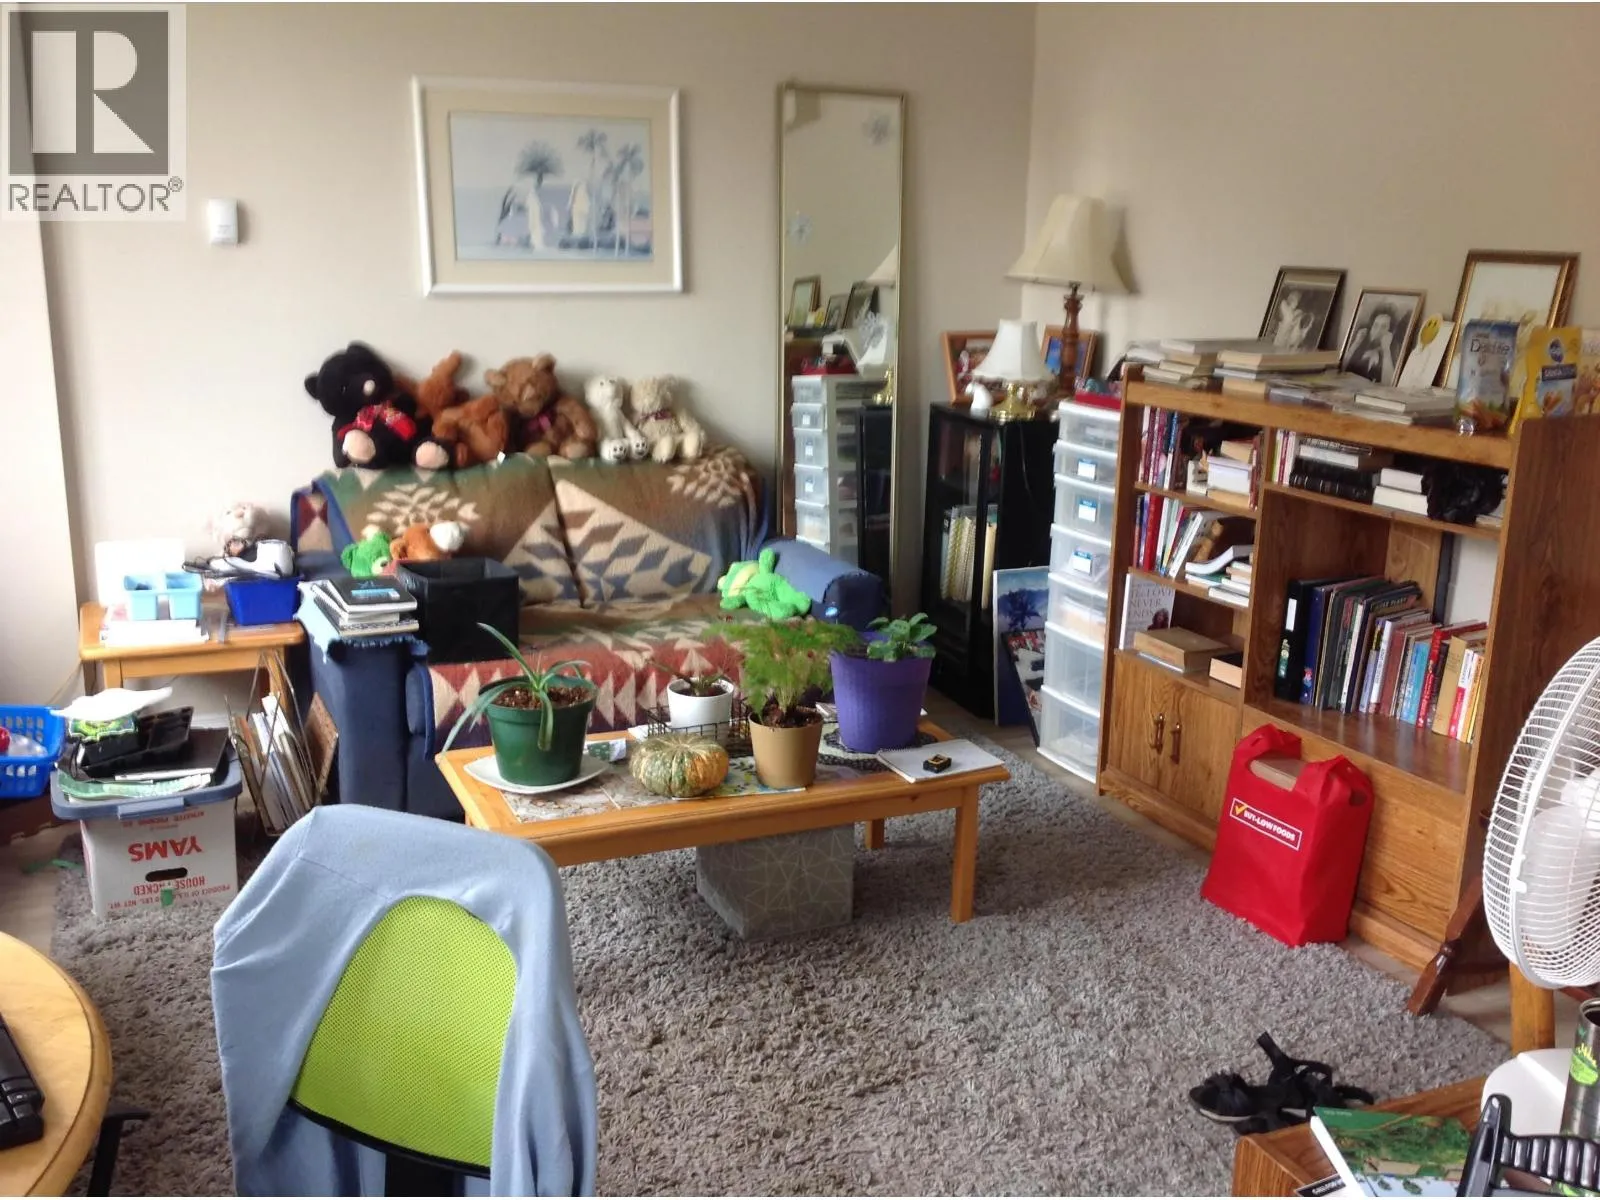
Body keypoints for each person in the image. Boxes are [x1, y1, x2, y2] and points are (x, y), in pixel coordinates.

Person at [1346, 305, 1400, 384]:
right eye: (1375, 325)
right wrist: (1355, 344)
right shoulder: (1361, 343)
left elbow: (1388, 384)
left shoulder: (1393, 350)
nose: (1378, 331)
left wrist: (1386, 351)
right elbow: (1342, 370)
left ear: (1390, 333)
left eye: (1383, 327)